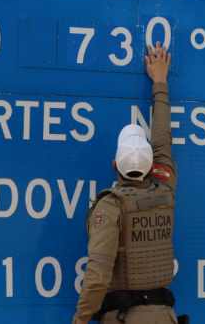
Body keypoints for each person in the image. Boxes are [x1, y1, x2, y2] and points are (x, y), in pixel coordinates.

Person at [72, 42, 186, 324]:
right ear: (151, 167)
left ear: (114, 165)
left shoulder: (111, 206)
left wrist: (79, 321)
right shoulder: (165, 187)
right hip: (165, 317)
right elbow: (162, 140)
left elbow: (97, 277)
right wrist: (160, 80)